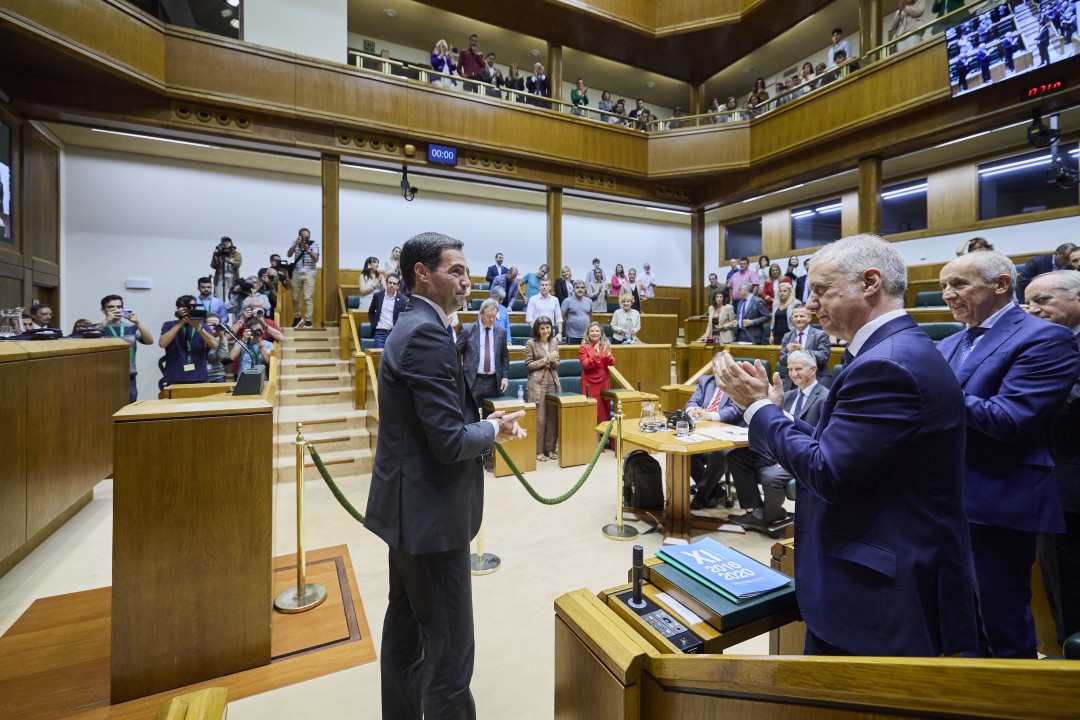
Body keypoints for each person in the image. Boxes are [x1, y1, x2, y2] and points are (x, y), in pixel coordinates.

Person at [718, 233, 978, 657]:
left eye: (821, 290)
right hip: (879, 573)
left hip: (881, 593)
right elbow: (843, 450)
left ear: (870, 283)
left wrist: (757, 408)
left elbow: (827, 472)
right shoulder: (892, 350)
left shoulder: (887, 364)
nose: (810, 304)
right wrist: (778, 414)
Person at [363, 232, 525, 720]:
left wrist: (483, 424)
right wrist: (492, 430)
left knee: (407, 634)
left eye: (466, 271)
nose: (466, 280)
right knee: (450, 652)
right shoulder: (426, 334)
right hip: (430, 520)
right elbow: (450, 441)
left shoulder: (414, 324)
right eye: (455, 271)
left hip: (409, 514)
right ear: (421, 274)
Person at [937, 251, 1080, 658]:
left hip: (998, 496)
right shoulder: (948, 343)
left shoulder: (1044, 337)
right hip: (945, 498)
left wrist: (931, 391)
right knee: (962, 621)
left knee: (1003, 621)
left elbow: (1009, 418)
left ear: (1001, 284)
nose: (948, 294)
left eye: (959, 284)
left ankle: (1015, 692)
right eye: (943, 286)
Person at [1025, 270, 1080, 646]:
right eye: (1028, 302)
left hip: (1071, 482)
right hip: (1053, 487)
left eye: (1042, 300)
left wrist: (1027, 394)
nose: (1033, 310)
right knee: (1063, 590)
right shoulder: (1040, 344)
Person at [727, 350, 826, 528]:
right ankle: (757, 511)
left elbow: (820, 436)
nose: (793, 374)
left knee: (770, 476)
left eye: (798, 369)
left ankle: (770, 517)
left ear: (813, 369)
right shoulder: (788, 395)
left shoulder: (825, 398)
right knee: (737, 457)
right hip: (776, 448)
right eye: (790, 369)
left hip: (803, 453)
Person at [684, 351, 746, 509]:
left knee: (721, 454)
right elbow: (693, 401)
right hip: (703, 432)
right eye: (714, 367)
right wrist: (693, 410)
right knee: (685, 451)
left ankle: (702, 495)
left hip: (728, 435)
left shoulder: (739, 384)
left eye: (720, 367)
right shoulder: (706, 381)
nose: (717, 371)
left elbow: (736, 410)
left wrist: (710, 415)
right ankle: (715, 491)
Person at [457, 298, 510, 418]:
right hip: (473, 380)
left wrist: (505, 377)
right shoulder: (468, 330)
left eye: (494, 316)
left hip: (493, 382)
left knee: (493, 418)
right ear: (481, 314)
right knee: (469, 417)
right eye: (489, 316)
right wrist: (459, 375)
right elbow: (455, 354)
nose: (491, 320)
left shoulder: (501, 332)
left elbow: (504, 357)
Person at [98, 294, 154, 402]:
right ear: (103, 310)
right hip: (105, 376)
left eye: (119, 307)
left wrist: (137, 323)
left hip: (129, 376)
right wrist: (106, 321)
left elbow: (149, 341)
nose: (115, 309)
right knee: (106, 407)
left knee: (129, 407)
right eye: (111, 307)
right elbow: (88, 337)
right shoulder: (99, 328)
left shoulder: (131, 327)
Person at [159, 295, 219, 385]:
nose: (189, 309)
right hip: (175, 376)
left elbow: (214, 344)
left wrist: (198, 327)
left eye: (192, 307)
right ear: (178, 308)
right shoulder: (169, 325)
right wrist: (181, 323)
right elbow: (162, 344)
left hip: (199, 375)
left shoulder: (203, 326)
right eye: (186, 307)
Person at [525, 316, 560, 461]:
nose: (546, 331)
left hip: (552, 381)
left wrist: (554, 360)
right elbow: (528, 365)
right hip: (537, 383)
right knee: (540, 419)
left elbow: (557, 364)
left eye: (548, 327)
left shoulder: (554, 342)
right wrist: (546, 360)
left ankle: (550, 449)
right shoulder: (531, 343)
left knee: (553, 417)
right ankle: (538, 451)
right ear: (537, 330)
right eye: (542, 328)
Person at [778, 306, 832, 384]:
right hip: (793, 380)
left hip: (817, 377)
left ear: (809, 318)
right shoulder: (787, 336)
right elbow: (782, 361)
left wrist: (802, 350)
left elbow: (823, 357)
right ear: (792, 319)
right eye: (795, 316)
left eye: (802, 316)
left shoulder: (820, 335)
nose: (798, 319)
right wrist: (790, 353)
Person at [579, 321, 615, 425]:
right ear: (588, 333)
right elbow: (586, 365)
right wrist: (595, 355)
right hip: (589, 382)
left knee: (603, 409)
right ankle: (592, 434)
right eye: (592, 331)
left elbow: (612, 363)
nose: (595, 333)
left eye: (597, 331)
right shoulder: (584, 347)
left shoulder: (605, 345)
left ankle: (603, 433)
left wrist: (608, 354)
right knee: (592, 408)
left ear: (601, 333)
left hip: (603, 381)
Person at [287, 227, 319, 328]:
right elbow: (289, 254)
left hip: (309, 273)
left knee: (308, 297)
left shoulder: (314, 244)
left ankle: (308, 320)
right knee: (295, 297)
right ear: (299, 236)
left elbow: (316, 259)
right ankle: (297, 317)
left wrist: (308, 250)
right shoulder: (295, 243)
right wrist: (296, 244)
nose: (305, 239)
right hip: (296, 273)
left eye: (307, 237)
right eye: (303, 237)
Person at [369, 273, 407, 348]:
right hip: (380, 333)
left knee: (394, 355)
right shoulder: (378, 296)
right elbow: (371, 311)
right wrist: (373, 324)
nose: (392, 285)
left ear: (398, 286)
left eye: (394, 283)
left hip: (395, 334)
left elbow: (405, 317)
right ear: (386, 283)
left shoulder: (403, 299)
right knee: (378, 354)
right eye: (390, 283)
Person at [210, 236, 242, 312]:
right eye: (224, 241)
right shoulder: (218, 252)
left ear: (231, 243)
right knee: (219, 299)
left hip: (233, 279)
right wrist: (216, 258)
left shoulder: (236, 253)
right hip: (220, 279)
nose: (226, 243)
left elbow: (237, 264)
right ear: (221, 243)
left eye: (228, 241)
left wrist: (229, 260)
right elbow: (213, 266)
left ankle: (234, 317)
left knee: (234, 299)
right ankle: (219, 315)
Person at [561, 280, 592, 345]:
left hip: (585, 335)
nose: (580, 289)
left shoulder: (589, 301)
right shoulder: (567, 301)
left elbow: (590, 316)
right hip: (572, 335)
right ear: (573, 288)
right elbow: (562, 317)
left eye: (582, 287)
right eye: (577, 287)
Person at [204, 313, 230, 382]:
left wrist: (222, 337)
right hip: (200, 375)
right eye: (209, 325)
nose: (212, 327)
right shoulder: (198, 337)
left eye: (215, 325)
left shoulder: (221, 339)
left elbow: (222, 357)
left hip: (217, 376)